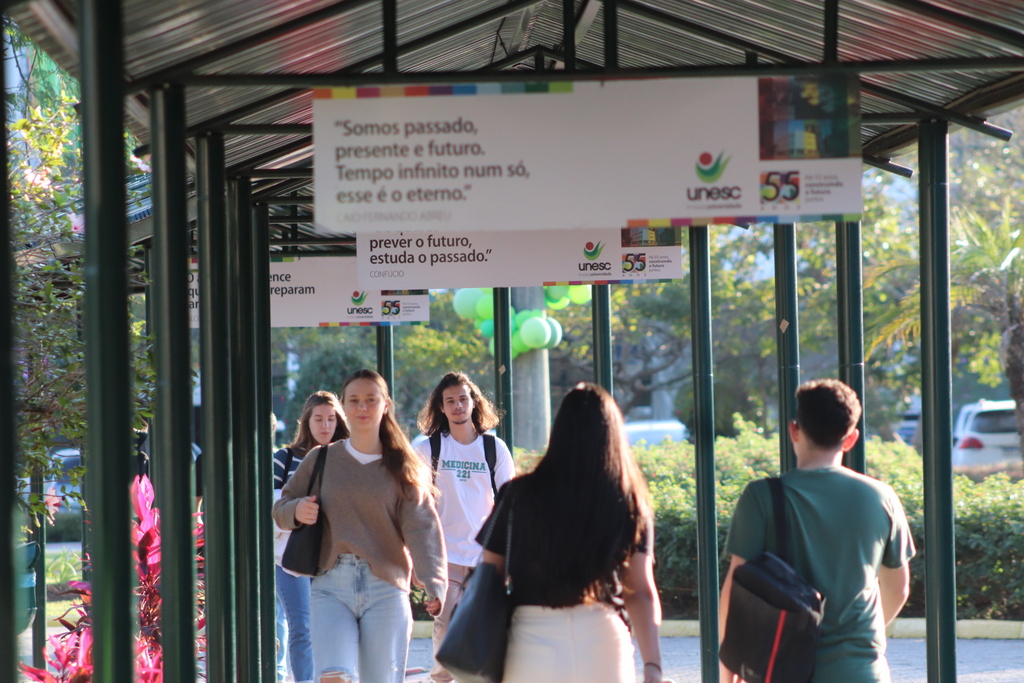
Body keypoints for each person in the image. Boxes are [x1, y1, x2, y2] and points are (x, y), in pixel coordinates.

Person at [719, 379, 915, 683]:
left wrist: (729, 674)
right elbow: (898, 588)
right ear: (851, 439)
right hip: (861, 671)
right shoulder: (881, 497)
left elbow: (734, 594)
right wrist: (861, 640)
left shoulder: (760, 497)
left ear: (794, 430)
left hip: (783, 670)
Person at [475, 382, 664, 683]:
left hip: (530, 641)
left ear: (559, 432)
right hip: (604, 639)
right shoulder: (628, 501)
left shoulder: (518, 494)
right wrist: (653, 666)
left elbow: (488, 574)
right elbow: (639, 591)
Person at [273, 369, 446, 683]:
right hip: (330, 588)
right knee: (332, 676)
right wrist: (297, 510)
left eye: (370, 400)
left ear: (386, 405)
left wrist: (434, 582)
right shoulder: (320, 458)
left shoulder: (402, 466)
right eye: (354, 400)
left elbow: (422, 528)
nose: (362, 407)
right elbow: (281, 507)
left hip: (386, 588)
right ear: (344, 406)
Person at [414, 372, 515, 683]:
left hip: (487, 558)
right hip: (444, 555)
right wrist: (418, 562)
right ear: (441, 408)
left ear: (474, 403)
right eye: (450, 401)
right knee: (445, 624)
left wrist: (512, 557)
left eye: (463, 399)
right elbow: (413, 506)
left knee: (485, 625)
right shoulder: (427, 449)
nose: (457, 405)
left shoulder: (494, 448)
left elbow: (510, 503)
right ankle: (441, 678)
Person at [273, 393, 349, 683]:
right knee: (302, 626)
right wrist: (299, 507)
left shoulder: (348, 459)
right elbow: (270, 505)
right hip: (290, 558)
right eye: (318, 419)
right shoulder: (285, 458)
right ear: (307, 422)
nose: (325, 425)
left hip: (335, 558)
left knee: (332, 627)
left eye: (331, 419)